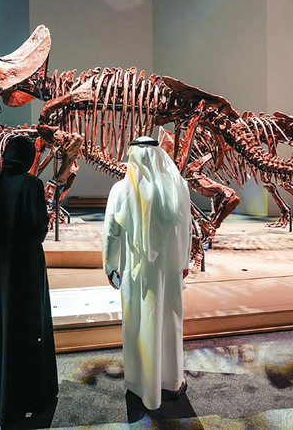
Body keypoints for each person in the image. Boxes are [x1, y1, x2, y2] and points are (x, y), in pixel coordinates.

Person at [0, 135, 58, 427]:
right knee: (26, 327)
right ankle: (26, 397)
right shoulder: (32, 185)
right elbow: (38, 230)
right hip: (24, 270)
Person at [102, 135, 192, 410]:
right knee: (169, 324)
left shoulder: (121, 189)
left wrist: (110, 266)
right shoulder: (180, 187)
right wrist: (184, 262)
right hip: (169, 273)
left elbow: (111, 233)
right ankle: (172, 381)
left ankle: (140, 384)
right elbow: (187, 229)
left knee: (139, 325)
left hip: (136, 275)